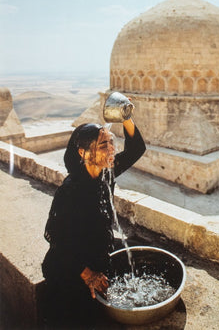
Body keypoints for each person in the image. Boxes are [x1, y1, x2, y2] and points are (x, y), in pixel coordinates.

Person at [41, 117, 146, 329]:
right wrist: (88, 275)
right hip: (70, 266)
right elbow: (56, 237)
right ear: (83, 152)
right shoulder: (70, 191)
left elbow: (137, 148)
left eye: (111, 143)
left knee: (142, 250)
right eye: (103, 145)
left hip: (96, 251)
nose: (111, 150)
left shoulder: (105, 173)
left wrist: (126, 117)